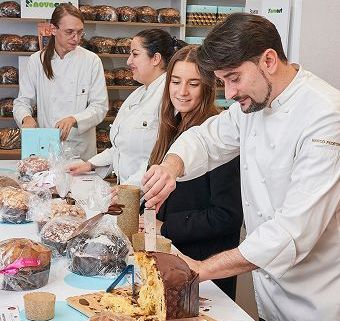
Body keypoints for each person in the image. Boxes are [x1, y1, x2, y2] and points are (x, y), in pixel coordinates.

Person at [141, 13, 340, 321]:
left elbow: (292, 232)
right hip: (270, 295)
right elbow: (206, 139)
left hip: (315, 301)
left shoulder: (325, 117)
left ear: (269, 60)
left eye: (234, 78)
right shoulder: (252, 105)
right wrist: (171, 166)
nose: (230, 94)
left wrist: (201, 269)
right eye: (223, 82)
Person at [145, 45, 243, 299]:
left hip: (205, 267)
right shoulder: (172, 126)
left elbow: (227, 216)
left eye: (194, 84)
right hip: (172, 259)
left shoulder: (221, 138)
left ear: (209, 87)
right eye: (176, 81)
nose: (182, 92)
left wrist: (165, 226)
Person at [69, 29, 185, 186]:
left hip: (150, 193)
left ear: (155, 58)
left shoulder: (171, 95)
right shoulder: (137, 94)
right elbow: (121, 147)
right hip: (130, 191)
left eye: (135, 54)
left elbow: (163, 156)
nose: (129, 61)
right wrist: (90, 164)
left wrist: (128, 190)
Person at [13, 4, 108, 160]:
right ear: (53, 29)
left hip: (80, 150)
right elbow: (22, 102)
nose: (76, 38)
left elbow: (100, 106)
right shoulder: (37, 60)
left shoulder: (91, 61)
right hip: (47, 146)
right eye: (69, 32)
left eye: (79, 32)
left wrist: (75, 119)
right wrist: (26, 118)